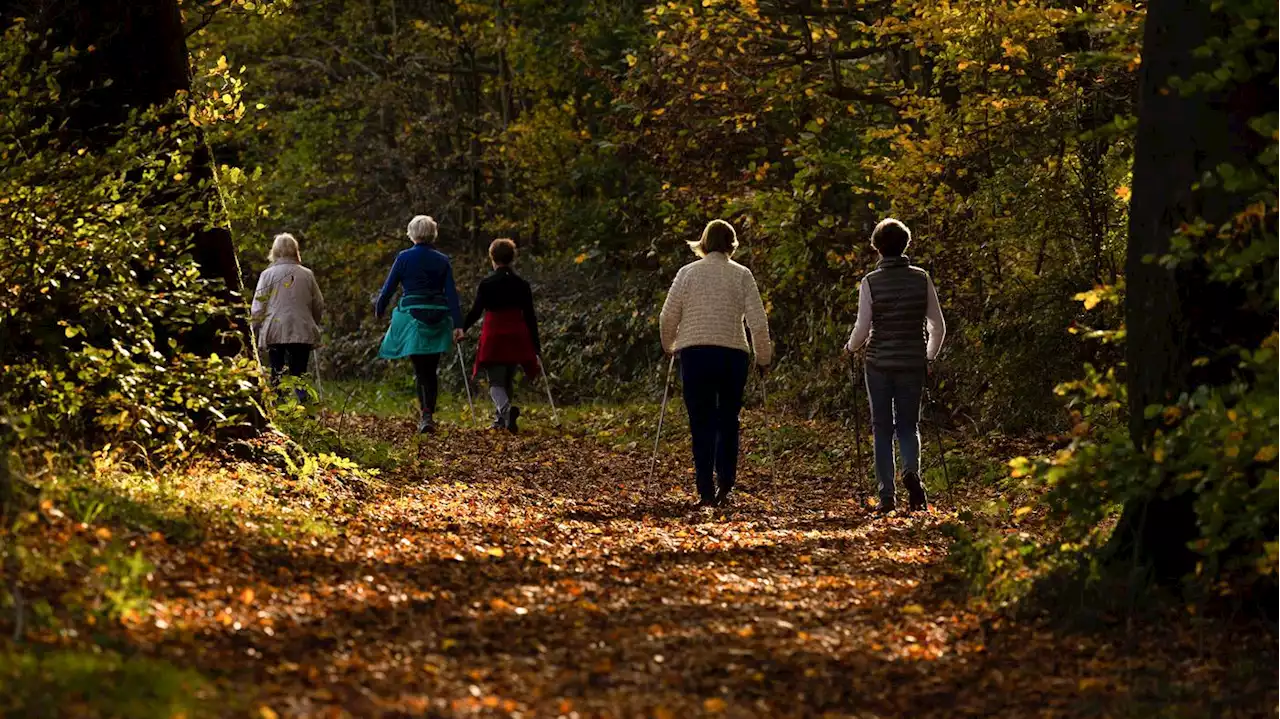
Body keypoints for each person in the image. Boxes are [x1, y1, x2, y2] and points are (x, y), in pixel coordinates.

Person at [659, 219, 773, 508]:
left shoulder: (686, 273)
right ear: (731, 244)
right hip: (732, 354)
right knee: (728, 419)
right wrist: (763, 358)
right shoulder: (742, 275)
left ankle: (705, 489)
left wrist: (669, 345)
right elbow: (758, 323)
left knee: (701, 420)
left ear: (705, 243)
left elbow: (667, 316)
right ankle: (726, 483)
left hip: (695, 354)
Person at [844, 218, 946, 514]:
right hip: (912, 361)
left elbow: (862, 328)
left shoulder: (870, 282)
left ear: (877, 248)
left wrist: (850, 348)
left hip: (878, 363)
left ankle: (887, 495)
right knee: (908, 424)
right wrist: (929, 356)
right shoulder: (921, 278)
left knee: (881, 428)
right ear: (906, 245)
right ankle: (911, 472)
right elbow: (937, 326)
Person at [375, 215, 464, 434]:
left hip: (413, 318)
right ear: (433, 233)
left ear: (412, 233)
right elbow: (451, 293)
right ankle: (428, 413)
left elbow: (389, 288)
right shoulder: (442, 260)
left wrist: (380, 308)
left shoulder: (404, 257)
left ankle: (425, 414)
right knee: (431, 369)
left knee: (420, 368)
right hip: (439, 317)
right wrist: (458, 323)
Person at [460, 238, 541, 433]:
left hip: (494, 334)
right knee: (507, 378)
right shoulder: (522, 284)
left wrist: (461, 327)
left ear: (492, 258)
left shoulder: (487, 284)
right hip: (516, 334)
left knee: (495, 381)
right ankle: (502, 420)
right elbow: (530, 315)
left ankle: (505, 411)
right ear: (512, 258)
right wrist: (535, 345)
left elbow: (476, 311)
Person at [251, 233, 324, 403]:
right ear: (295, 250)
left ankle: (280, 411)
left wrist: (254, 330)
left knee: (277, 373)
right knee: (299, 374)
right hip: (301, 330)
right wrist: (311, 322)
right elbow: (319, 304)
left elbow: (258, 307)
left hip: (275, 331)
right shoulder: (307, 274)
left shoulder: (267, 275)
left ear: (275, 251)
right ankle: (305, 410)